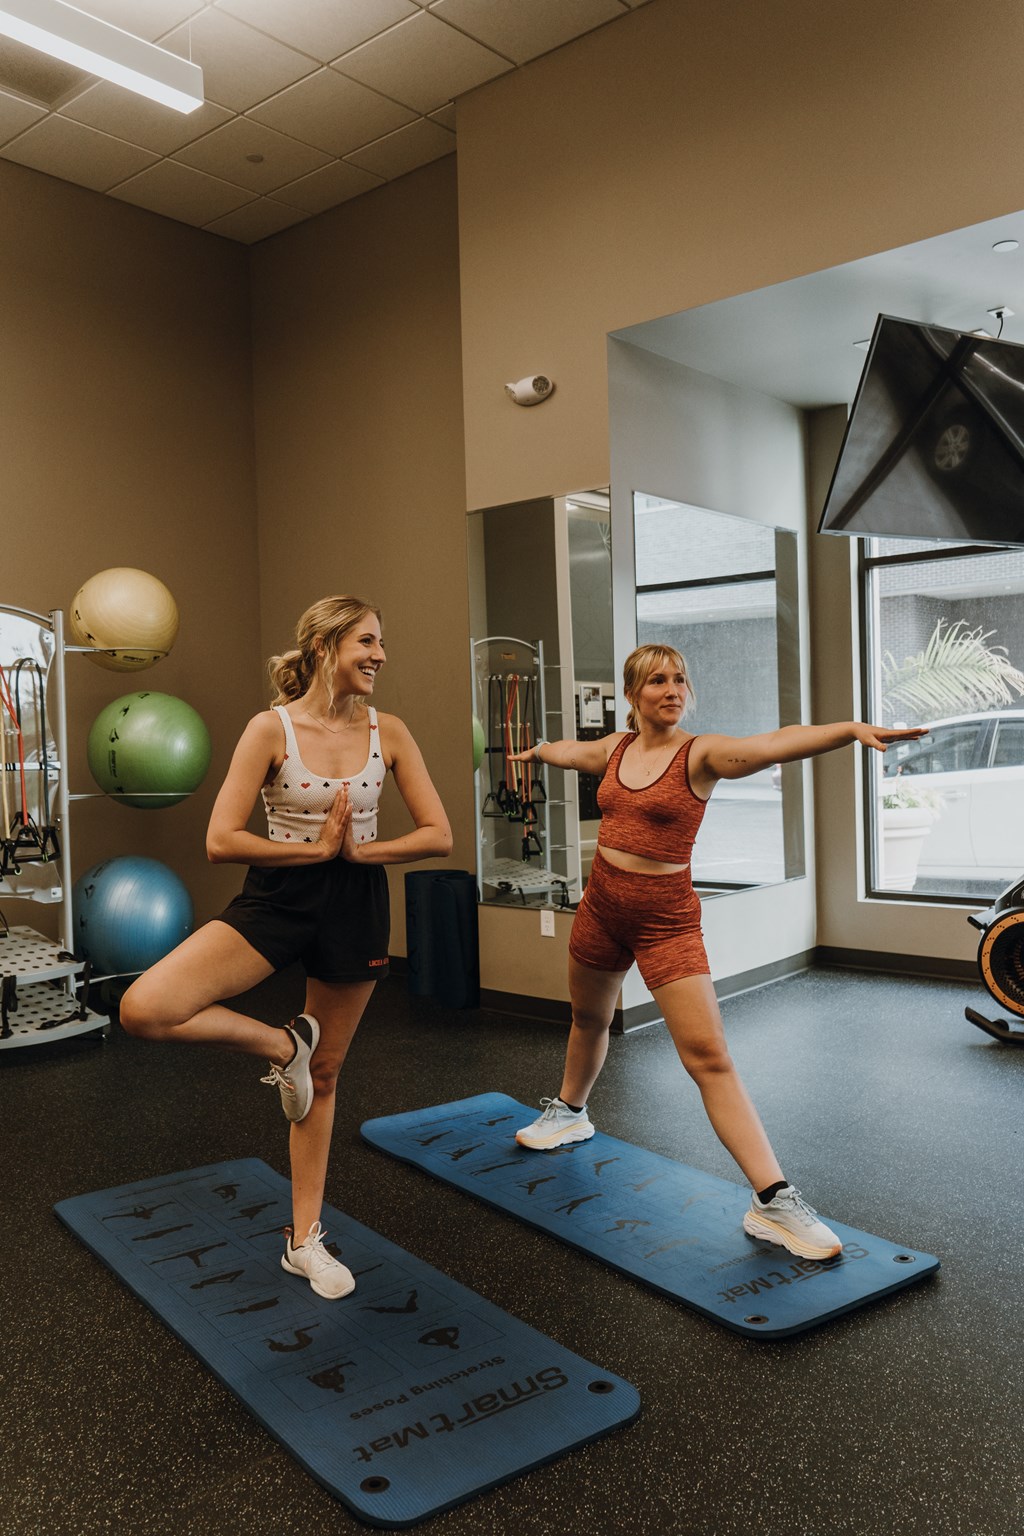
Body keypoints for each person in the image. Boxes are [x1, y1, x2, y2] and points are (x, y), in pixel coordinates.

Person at [511, 643, 925, 1261]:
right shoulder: (615, 750)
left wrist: (849, 730)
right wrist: (537, 751)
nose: (674, 689)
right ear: (633, 694)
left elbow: (776, 742)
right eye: (658, 680)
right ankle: (571, 1110)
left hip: (665, 921)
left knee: (709, 1058)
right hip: (600, 907)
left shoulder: (699, 754)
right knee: (588, 1019)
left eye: (681, 679)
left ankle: (773, 1200)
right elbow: (571, 752)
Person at [119, 595, 452, 1299]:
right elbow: (221, 840)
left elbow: (437, 834)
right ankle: (280, 1048)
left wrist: (363, 852)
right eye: (367, 641)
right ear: (327, 645)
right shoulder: (270, 729)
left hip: (355, 904)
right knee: (146, 1008)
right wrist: (315, 850)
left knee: (325, 1078)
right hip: (276, 898)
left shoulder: (388, 731)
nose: (381, 655)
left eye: (382, 643)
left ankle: (304, 1240)